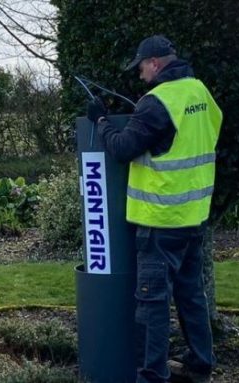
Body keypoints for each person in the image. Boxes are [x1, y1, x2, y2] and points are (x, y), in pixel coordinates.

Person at [87, 35, 222, 383]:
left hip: (160, 221)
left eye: (142, 66)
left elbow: (121, 148)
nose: (140, 74)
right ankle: (200, 365)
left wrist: (101, 122)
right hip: (194, 216)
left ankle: (151, 377)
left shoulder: (156, 101)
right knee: (191, 294)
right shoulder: (200, 92)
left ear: (157, 63)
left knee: (152, 302)